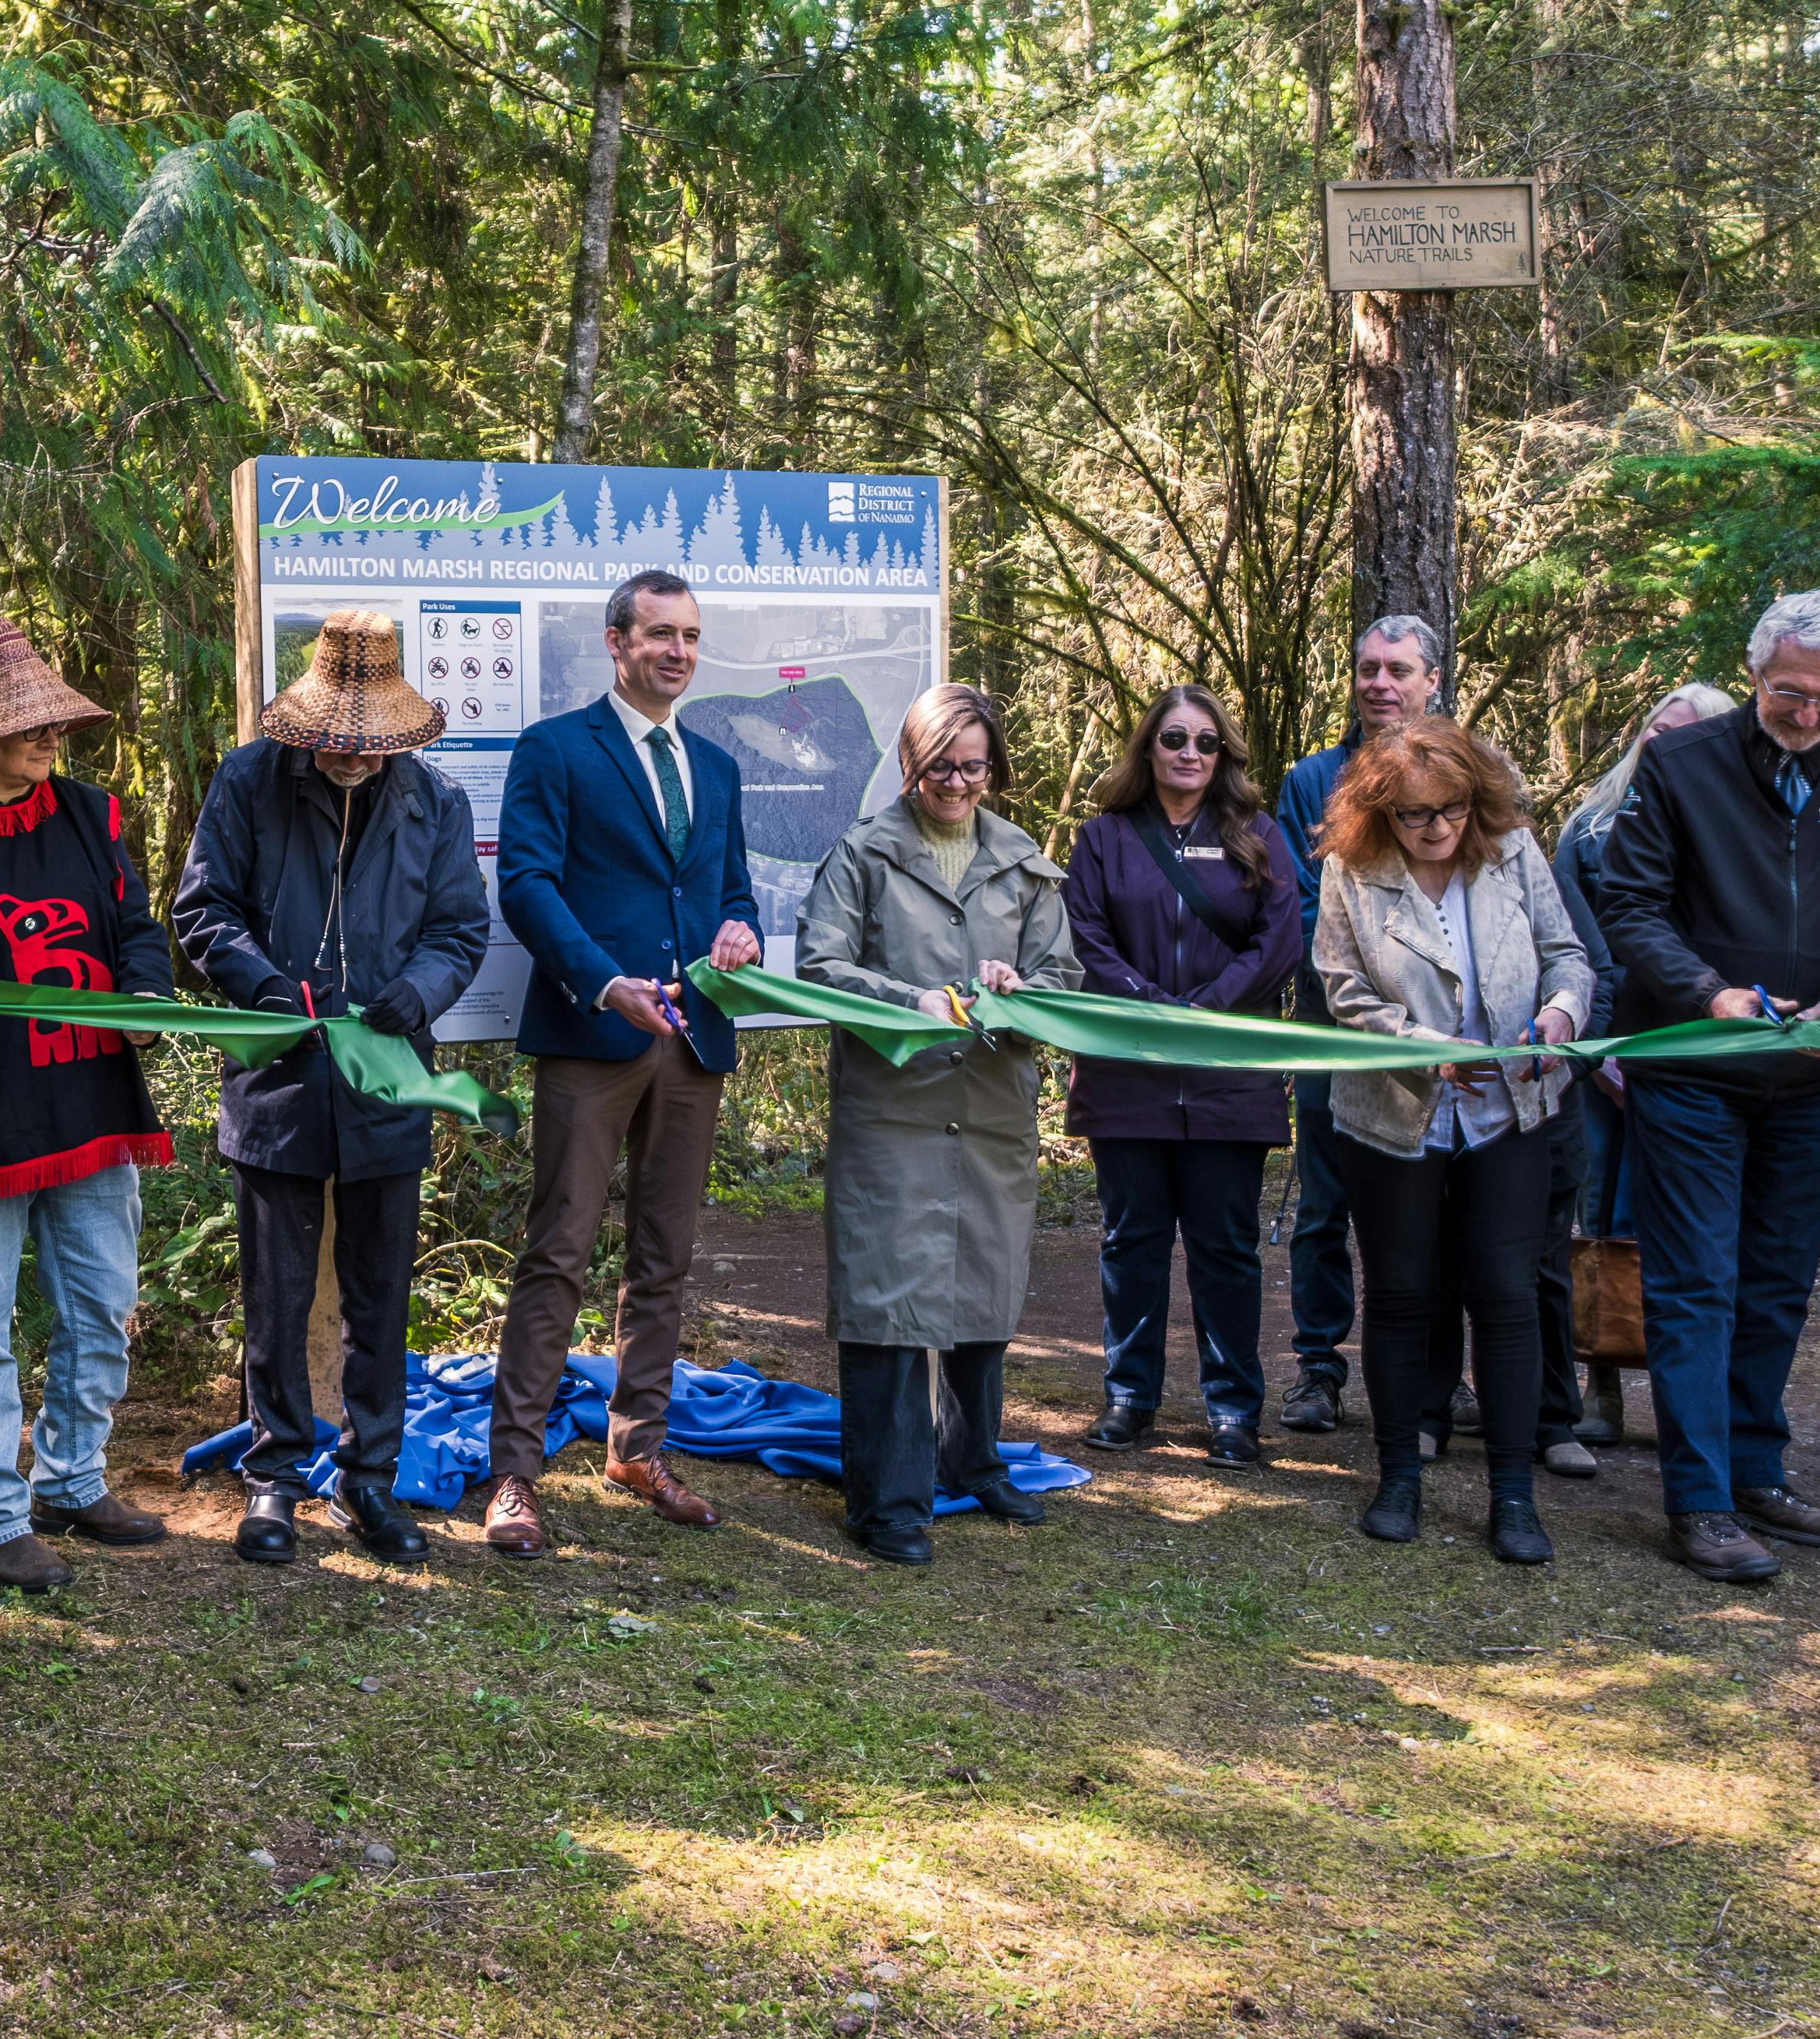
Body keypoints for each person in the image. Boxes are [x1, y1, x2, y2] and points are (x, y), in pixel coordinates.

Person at [1595, 590, 1820, 1581]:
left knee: (1779, 1279)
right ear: (1755, 674)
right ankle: (1698, 1499)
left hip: (1813, 1069)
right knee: (1696, 1282)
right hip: (1695, 1063)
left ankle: (1756, 1470)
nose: (1812, 713)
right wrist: (1708, 993)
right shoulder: (1682, 762)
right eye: (1793, 692)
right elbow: (1629, 900)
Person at [174, 615, 492, 1565]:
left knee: (379, 1297)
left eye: (371, 742)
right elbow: (201, 907)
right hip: (278, 1070)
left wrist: (422, 989)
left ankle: (369, 1481)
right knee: (274, 1294)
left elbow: (460, 930)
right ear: (308, 726)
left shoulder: (436, 803)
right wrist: (263, 986)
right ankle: (273, 1477)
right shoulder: (248, 782)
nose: (352, 756)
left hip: (390, 1079)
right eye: (336, 740)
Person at [0, 622, 179, 1591]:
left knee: (103, 1306)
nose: (50, 738)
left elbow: (134, 928)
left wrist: (143, 998)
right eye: (28, 725)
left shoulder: (90, 815)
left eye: (55, 722)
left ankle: (71, 1477)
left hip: (92, 1101)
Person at [479, 568, 762, 1555]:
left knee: (664, 1257)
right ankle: (513, 1472)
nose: (677, 651)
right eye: (658, 635)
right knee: (557, 1251)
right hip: (594, 1037)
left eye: (689, 636)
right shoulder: (556, 748)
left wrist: (740, 934)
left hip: (693, 1042)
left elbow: (734, 894)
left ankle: (639, 1445)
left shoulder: (717, 769)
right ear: (616, 641)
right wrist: (606, 984)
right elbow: (526, 885)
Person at [790, 686, 1075, 1562]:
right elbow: (819, 964)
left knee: (983, 1289)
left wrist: (1022, 988)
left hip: (989, 1111)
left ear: (995, 768)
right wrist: (908, 998)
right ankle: (887, 1500)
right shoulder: (865, 853)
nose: (957, 781)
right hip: (894, 1110)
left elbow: (1062, 978)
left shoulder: (1025, 860)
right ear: (912, 763)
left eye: (974, 764)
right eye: (941, 764)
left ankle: (974, 1460)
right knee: (887, 1302)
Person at [1305, 722, 1596, 1562]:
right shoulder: (1350, 871)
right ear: (1381, 812)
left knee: (1507, 1294)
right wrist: (1417, 1043)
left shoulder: (1514, 853)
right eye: (1414, 814)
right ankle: (1399, 1477)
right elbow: (1341, 986)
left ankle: (1513, 1494)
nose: (1437, 827)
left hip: (1511, 1107)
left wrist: (1558, 1016)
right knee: (1401, 1294)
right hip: (1396, 1112)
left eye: (1453, 809)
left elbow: (1568, 955)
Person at [1064, 686, 1313, 1464]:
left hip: (1228, 1076)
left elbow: (1279, 944)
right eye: (1174, 738)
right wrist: (1146, 1006)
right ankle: (1128, 1395)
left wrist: (1204, 1009)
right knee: (1131, 1240)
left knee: (1227, 1247)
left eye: (1208, 743)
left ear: (1226, 754)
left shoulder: (1259, 836)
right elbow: (1083, 935)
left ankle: (1235, 1408)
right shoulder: (1102, 840)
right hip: (1127, 1072)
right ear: (1149, 746)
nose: (1190, 754)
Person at [1542, 681, 1737, 1470]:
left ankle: (1691, 1399)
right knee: (1597, 1217)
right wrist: (1602, 1044)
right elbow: (1576, 944)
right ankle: (1601, 1390)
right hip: (1602, 1054)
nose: (1665, 744)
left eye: (1685, 734)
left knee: (1683, 1226)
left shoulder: (1734, 833)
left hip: (1695, 1050)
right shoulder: (1589, 829)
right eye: (1656, 729)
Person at [1265, 611, 1442, 1440]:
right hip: (1333, 1021)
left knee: (1439, 1200)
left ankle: (1438, 1375)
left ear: (1430, 681)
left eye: (1397, 670)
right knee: (1324, 1202)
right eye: (1368, 668)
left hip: (1442, 1031)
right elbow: (1301, 906)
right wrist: (1364, 997)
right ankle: (1318, 1371)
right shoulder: (1312, 781)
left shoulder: (1461, 773)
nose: (1379, 682)